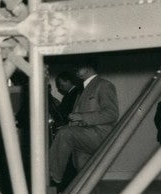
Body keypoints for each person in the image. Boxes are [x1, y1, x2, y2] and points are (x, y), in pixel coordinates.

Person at [48, 58, 119, 187]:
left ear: (88, 67)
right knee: (84, 178)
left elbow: (112, 114)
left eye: (78, 66)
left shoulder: (104, 85)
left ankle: (52, 176)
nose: (75, 69)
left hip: (99, 136)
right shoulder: (83, 89)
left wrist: (82, 116)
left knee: (65, 133)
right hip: (85, 136)